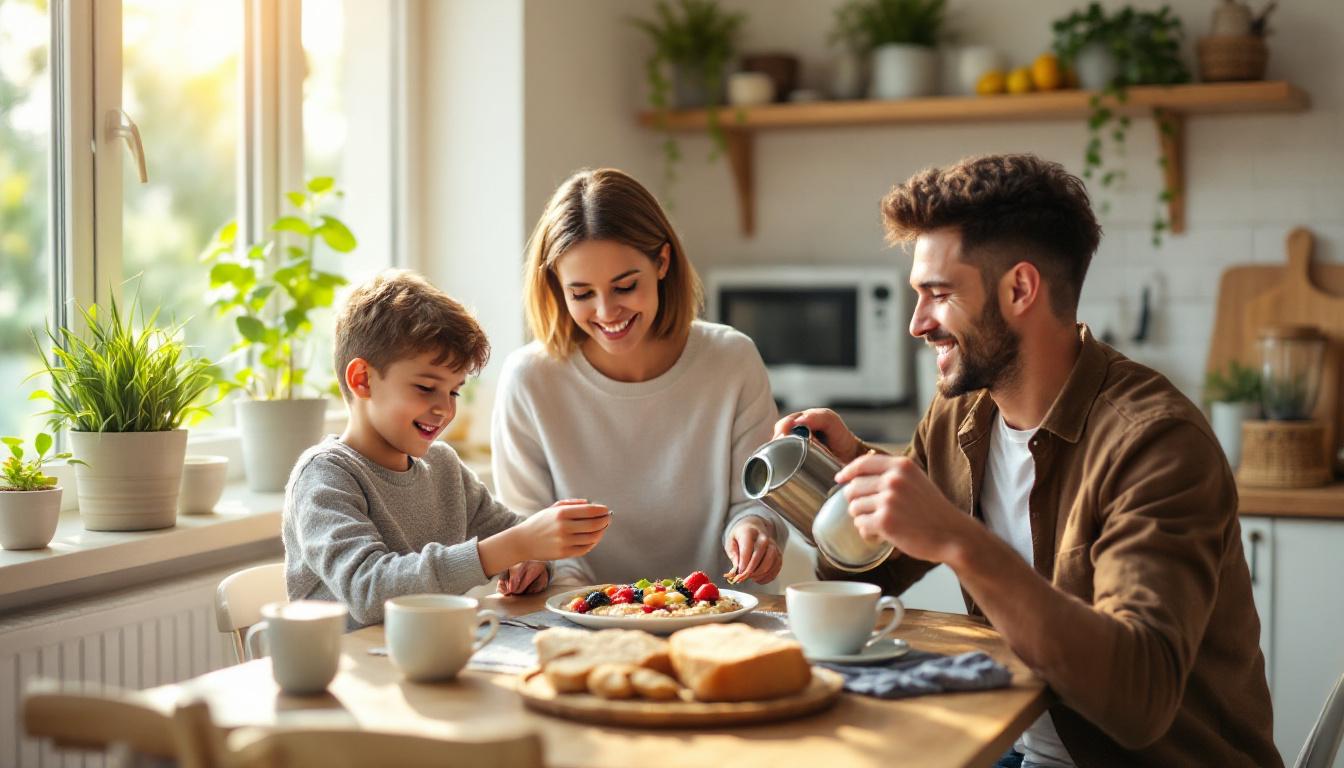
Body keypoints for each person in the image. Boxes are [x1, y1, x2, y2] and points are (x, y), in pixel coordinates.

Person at [777, 154, 1279, 767]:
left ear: (1019, 289)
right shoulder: (962, 413)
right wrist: (845, 474)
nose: (917, 324)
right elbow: (870, 578)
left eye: (939, 294)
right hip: (1017, 748)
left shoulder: (1157, 444)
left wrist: (962, 541)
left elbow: (1138, 701)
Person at [491, 168, 784, 587]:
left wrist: (754, 529)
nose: (606, 312)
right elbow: (531, 533)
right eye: (581, 293)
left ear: (662, 262)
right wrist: (533, 567)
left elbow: (755, 502)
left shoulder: (731, 361)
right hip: (577, 615)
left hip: (718, 612)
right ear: (557, 286)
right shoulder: (529, 381)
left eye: (625, 287)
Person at [283, 270, 611, 628]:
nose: (445, 409)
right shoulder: (324, 476)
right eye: (426, 387)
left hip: (432, 653)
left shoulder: (443, 467)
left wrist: (533, 561)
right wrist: (515, 546)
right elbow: (369, 591)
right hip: (348, 661)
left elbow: (513, 533)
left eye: (454, 391)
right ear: (362, 380)